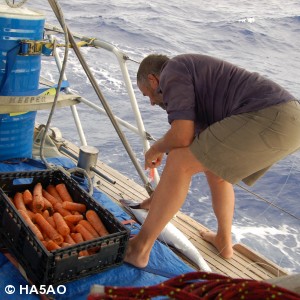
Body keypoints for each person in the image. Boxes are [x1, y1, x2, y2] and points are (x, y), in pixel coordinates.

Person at [124, 53, 300, 268]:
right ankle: (224, 241)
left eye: (147, 95)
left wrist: (155, 149)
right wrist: (154, 201)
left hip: (271, 116)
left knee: (180, 162)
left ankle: (139, 249)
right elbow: (195, 143)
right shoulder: (196, 82)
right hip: (289, 119)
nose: (151, 102)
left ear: (153, 80)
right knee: (214, 169)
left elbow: (181, 136)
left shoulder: (173, 70)